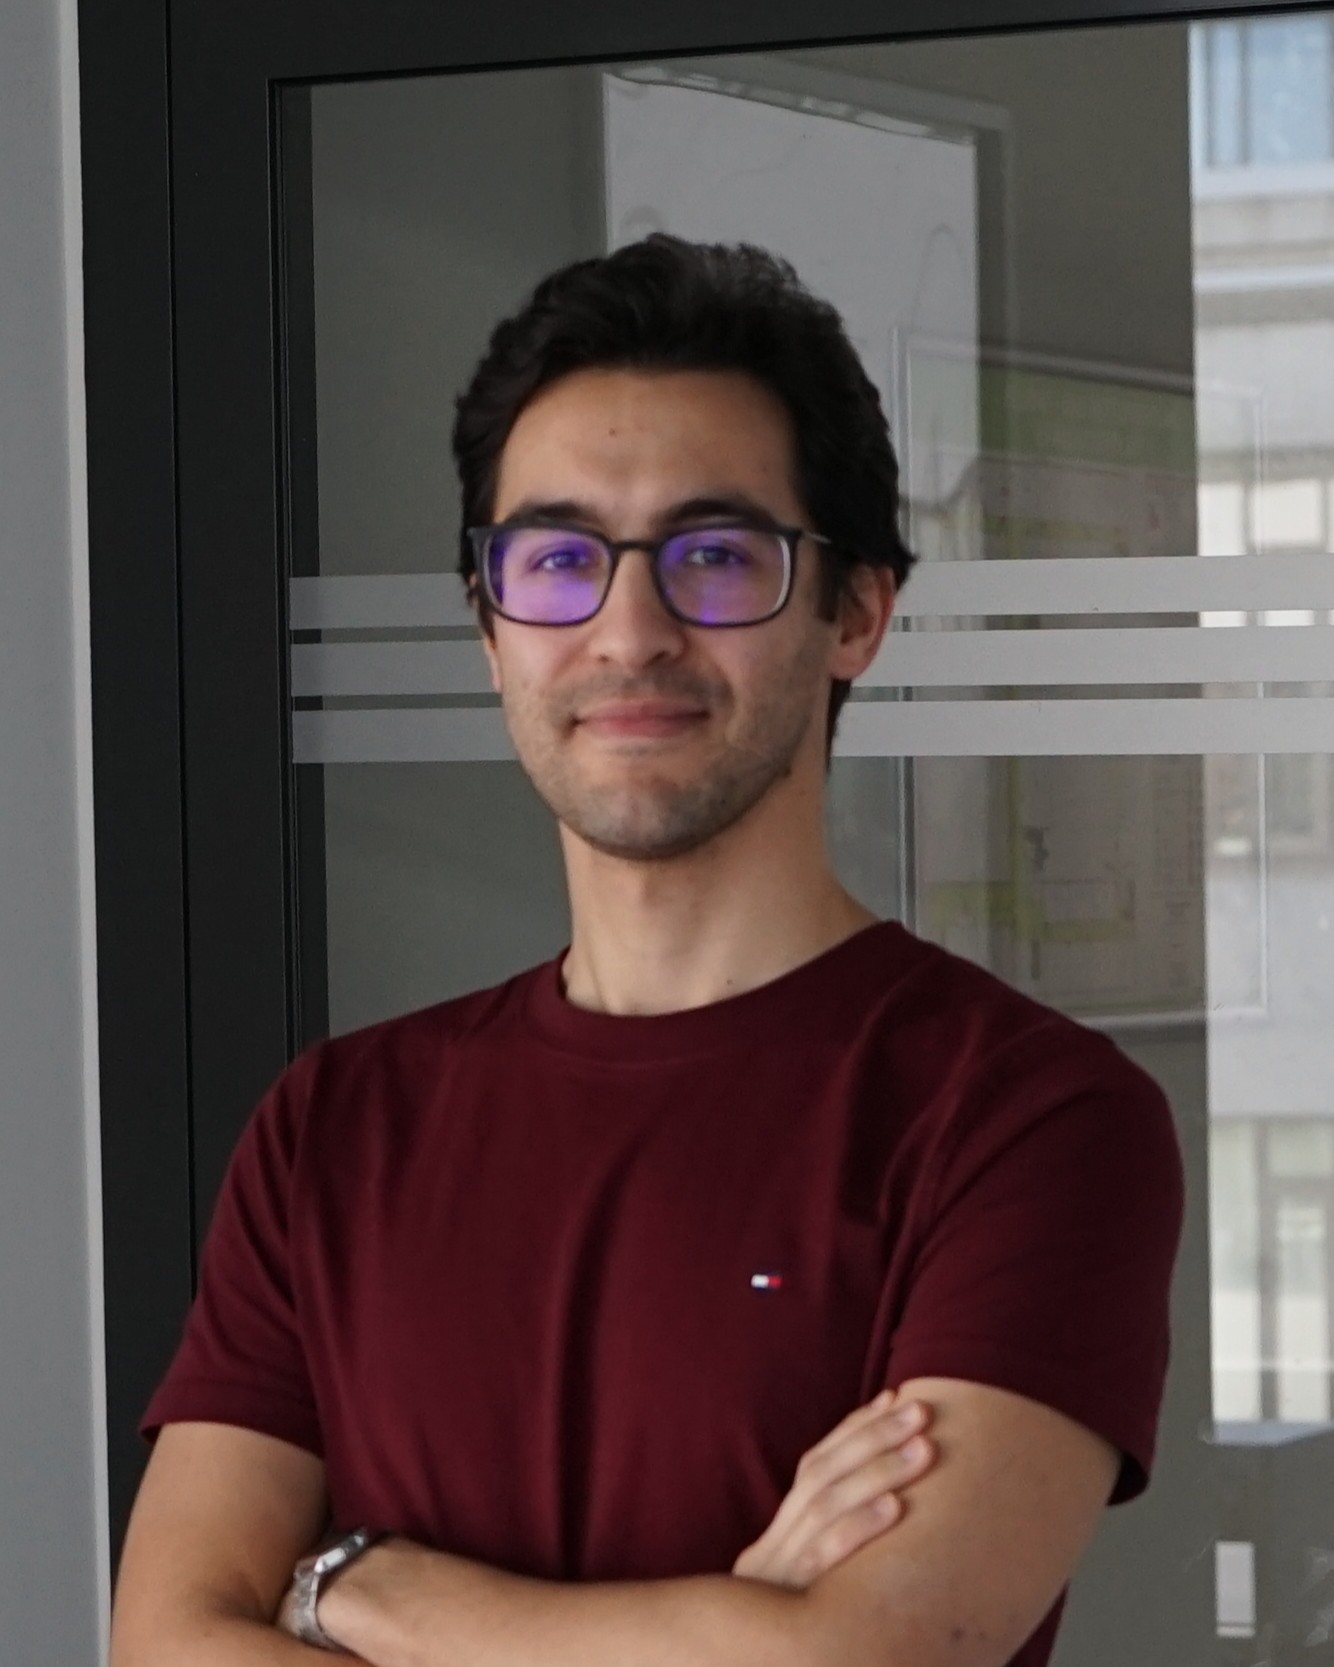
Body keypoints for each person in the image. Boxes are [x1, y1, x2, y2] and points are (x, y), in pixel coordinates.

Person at [110, 234, 1184, 1667]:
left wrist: (362, 1591)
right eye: (557, 559)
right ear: (489, 627)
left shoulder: (1026, 1117)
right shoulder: (334, 1125)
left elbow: (858, 1658)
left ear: (857, 611)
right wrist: (730, 1628)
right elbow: (164, 1642)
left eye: (714, 556)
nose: (627, 632)